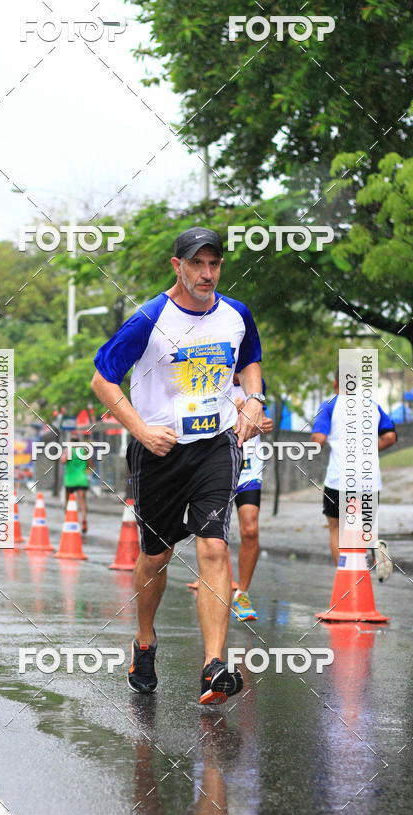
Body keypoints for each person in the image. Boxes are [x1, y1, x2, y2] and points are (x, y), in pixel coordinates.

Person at [91, 226, 264, 705]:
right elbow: (103, 379)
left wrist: (252, 399)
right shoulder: (150, 318)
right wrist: (140, 430)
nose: (207, 274)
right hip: (159, 452)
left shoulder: (235, 314)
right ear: (178, 266)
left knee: (214, 547)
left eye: (215, 265)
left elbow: (250, 359)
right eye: (197, 265)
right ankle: (144, 641)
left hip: (215, 445)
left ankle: (213, 666)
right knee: (157, 556)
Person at [311, 369, 397, 580]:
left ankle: (346, 580)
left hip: (339, 479)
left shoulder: (330, 405)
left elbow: (318, 440)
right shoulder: (372, 405)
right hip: (370, 480)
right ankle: (373, 550)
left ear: (335, 384)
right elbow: (390, 437)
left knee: (337, 530)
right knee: (361, 525)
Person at [230, 376, 273, 621]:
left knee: (250, 529)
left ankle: (242, 594)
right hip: (217, 463)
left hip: (248, 466)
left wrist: (265, 424)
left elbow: (260, 419)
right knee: (214, 532)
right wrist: (231, 413)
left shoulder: (257, 382)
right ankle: (214, 585)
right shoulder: (212, 373)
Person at [61, 432, 89, 532]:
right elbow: (90, 464)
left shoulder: (69, 450)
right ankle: (84, 521)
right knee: (82, 502)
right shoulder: (83, 451)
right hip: (82, 479)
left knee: (68, 502)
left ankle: (68, 520)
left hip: (70, 480)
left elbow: (63, 461)